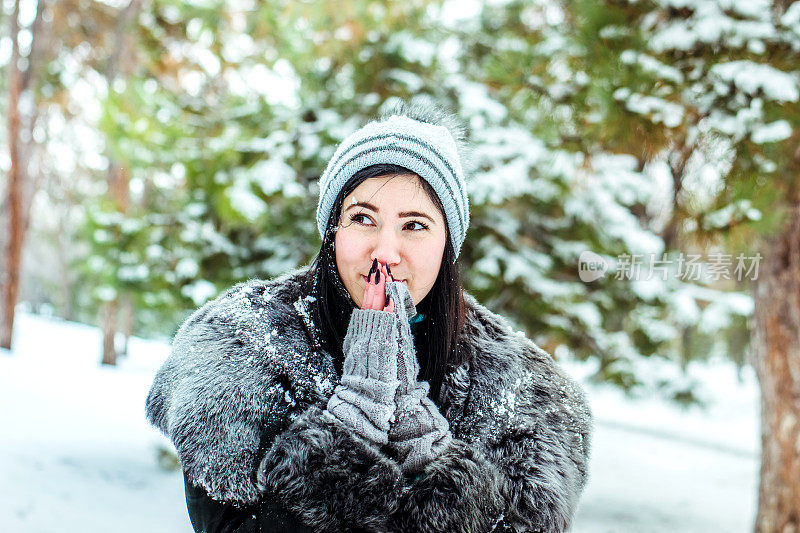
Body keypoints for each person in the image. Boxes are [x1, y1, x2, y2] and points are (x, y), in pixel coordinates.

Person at [146, 101, 593, 533]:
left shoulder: (522, 396)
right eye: (362, 218)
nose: (385, 252)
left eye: (415, 225)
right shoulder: (242, 349)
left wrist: (427, 456)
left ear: (447, 246)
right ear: (332, 232)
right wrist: (351, 425)